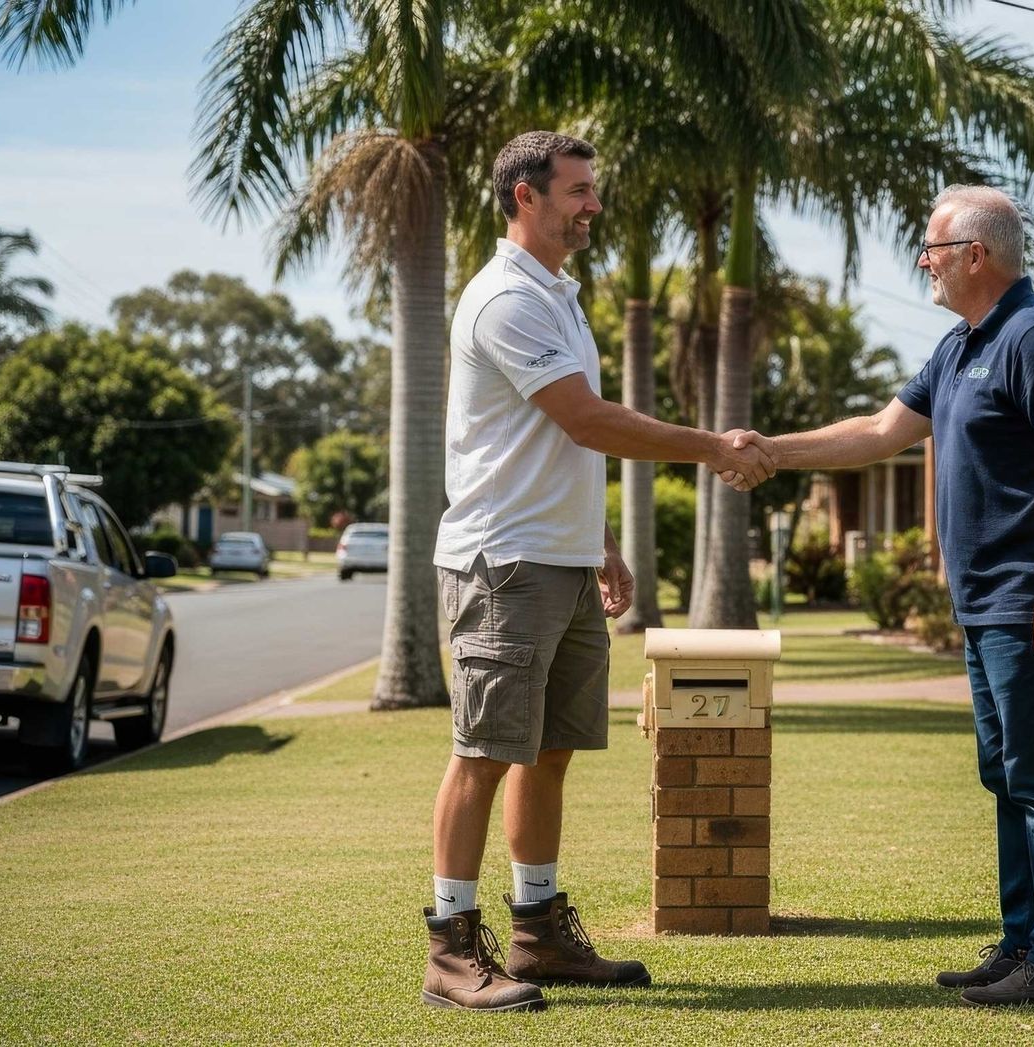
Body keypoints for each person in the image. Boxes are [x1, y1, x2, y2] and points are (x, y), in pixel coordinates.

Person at [423, 130, 774, 1012]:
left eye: (592, 189)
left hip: (563, 560)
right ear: (524, 198)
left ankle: (537, 931)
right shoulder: (506, 300)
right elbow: (583, 419)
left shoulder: (560, 298)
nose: (593, 204)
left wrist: (602, 541)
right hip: (502, 566)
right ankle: (451, 948)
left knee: (549, 751)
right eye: (577, 191)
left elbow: (557, 447)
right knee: (483, 754)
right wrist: (709, 446)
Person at [735, 184, 1034, 1007]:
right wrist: (771, 450)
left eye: (932, 251)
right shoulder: (960, 345)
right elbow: (876, 433)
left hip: (1028, 601)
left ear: (975, 255)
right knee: (1005, 775)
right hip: (984, 603)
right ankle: (1021, 944)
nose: (923, 265)